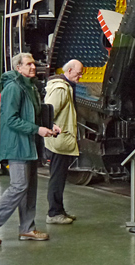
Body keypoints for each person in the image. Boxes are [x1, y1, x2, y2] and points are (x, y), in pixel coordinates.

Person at [0, 53, 60, 245]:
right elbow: (11, 119)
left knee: (29, 187)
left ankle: (27, 229)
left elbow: (33, 115)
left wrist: (49, 126)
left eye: (33, 63)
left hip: (29, 145)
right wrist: (37, 130)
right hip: (17, 146)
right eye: (28, 64)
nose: (33, 67)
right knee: (19, 186)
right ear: (18, 68)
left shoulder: (29, 87)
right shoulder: (13, 88)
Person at [44, 59, 83, 225]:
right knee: (57, 178)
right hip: (58, 140)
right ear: (69, 71)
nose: (80, 77)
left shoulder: (65, 87)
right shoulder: (61, 89)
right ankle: (54, 213)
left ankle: (58, 210)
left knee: (58, 177)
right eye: (78, 73)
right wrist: (52, 127)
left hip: (59, 139)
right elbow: (49, 111)